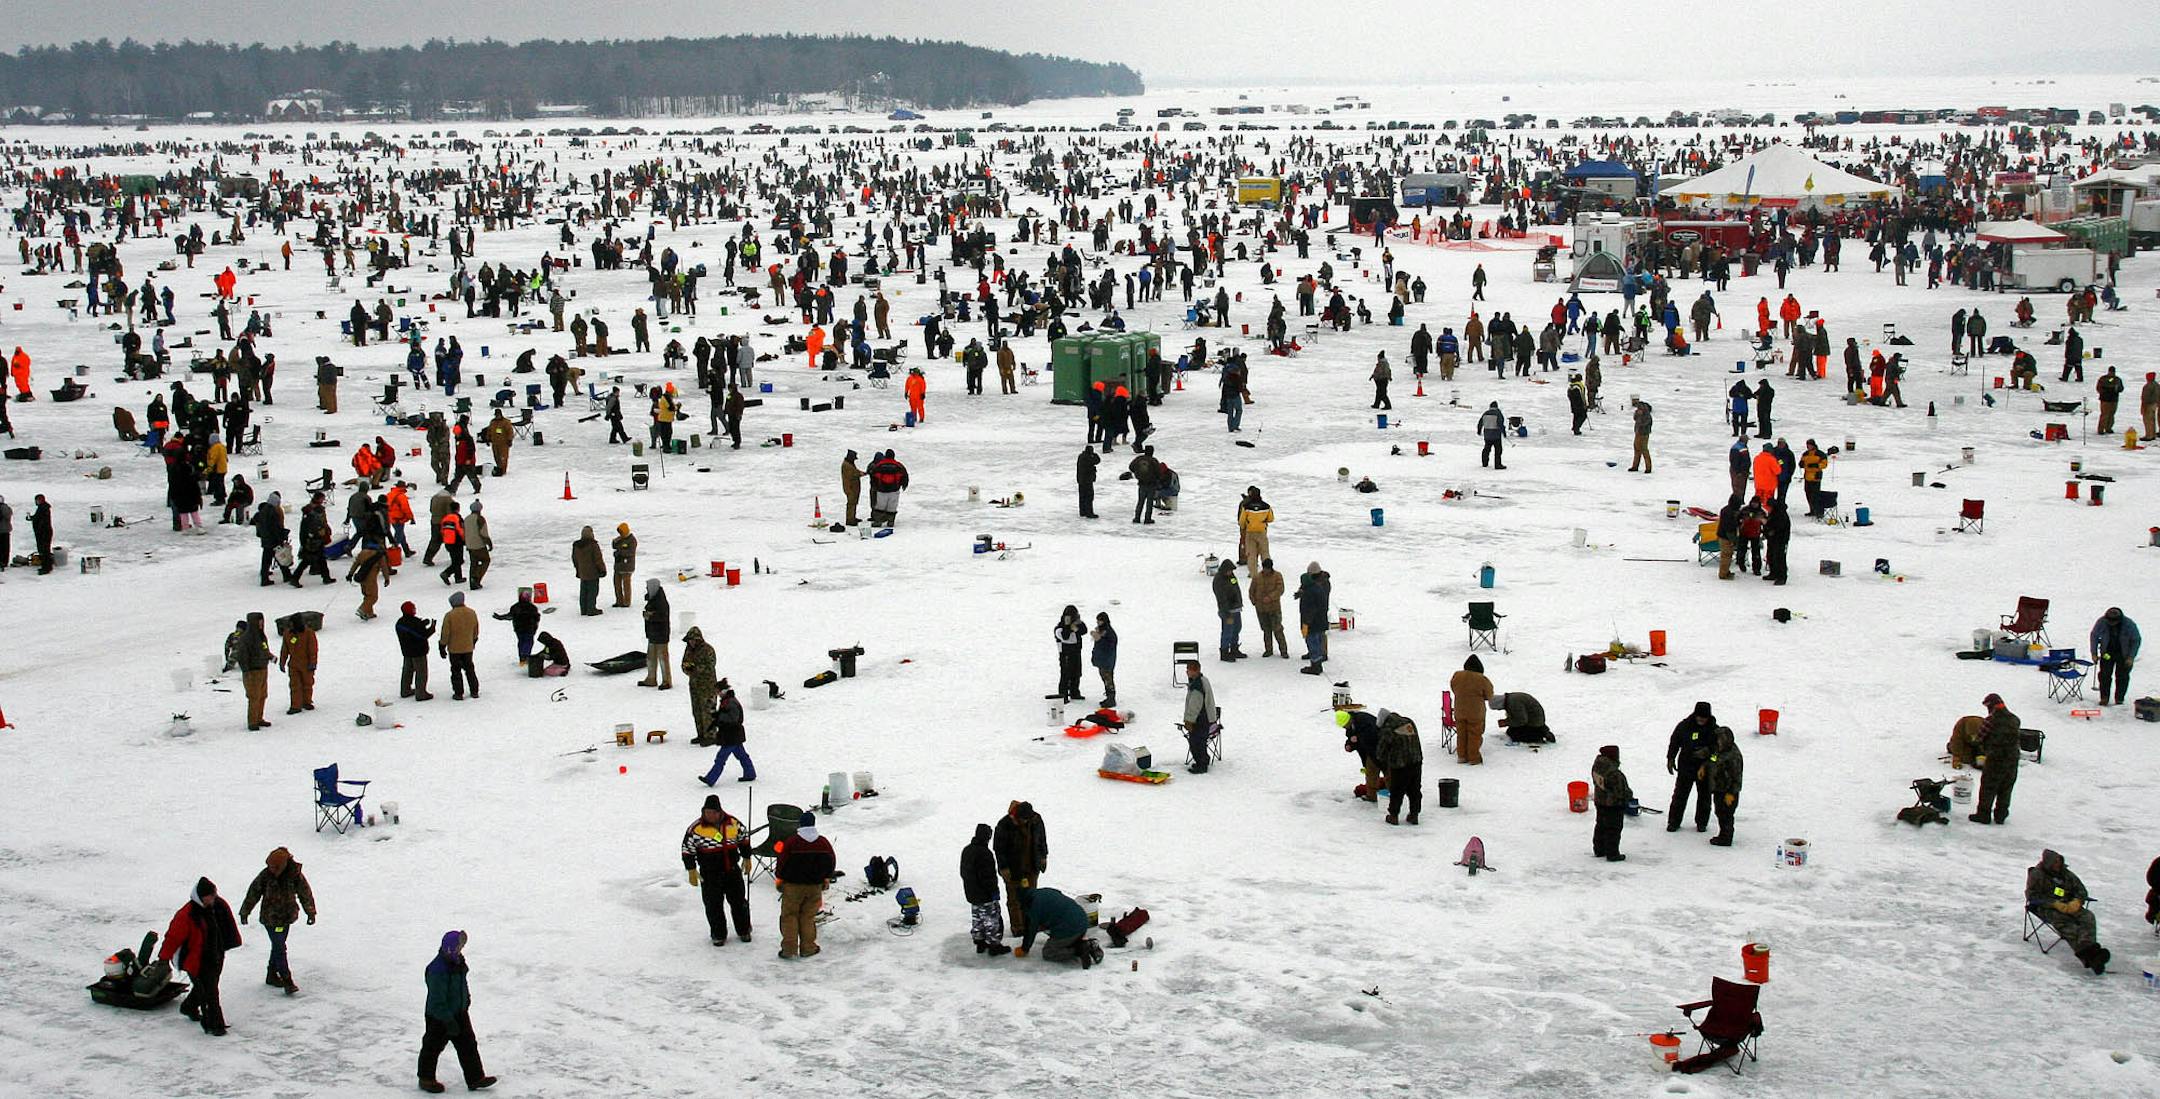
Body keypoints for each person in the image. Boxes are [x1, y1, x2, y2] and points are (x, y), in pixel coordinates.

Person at [160, 877, 240, 1036]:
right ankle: (215, 1025)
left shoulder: (217, 905)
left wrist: (229, 943)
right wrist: (163, 959)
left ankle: (189, 1006)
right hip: (196, 961)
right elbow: (173, 938)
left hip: (216, 955)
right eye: (210, 895)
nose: (214, 897)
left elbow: (227, 924)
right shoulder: (187, 915)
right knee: (210, 993)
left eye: (214, 894)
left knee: (207, 988)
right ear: (201, 897)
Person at [418, 931, 495, 1093]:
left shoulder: (457, 962)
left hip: (459, 1012)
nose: (461, 949)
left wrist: (465, 1001)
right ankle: (426, 1078)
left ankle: (475, 1078)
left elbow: (461, 984)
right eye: (459, 946)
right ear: (450, 948)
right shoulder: (437, 969)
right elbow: (437, 1000)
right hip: (439, 1016)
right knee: (432, 1047)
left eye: (462, 946)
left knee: (468, 1045)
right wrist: (447, 1020)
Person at [238, 847, 316, 994]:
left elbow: (305, 893)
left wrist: (311, 912)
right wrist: (245, 912)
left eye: (275, 867)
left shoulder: (295, 875)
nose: (271, 870)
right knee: (280, 947)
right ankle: (287, 980)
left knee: (278, 946)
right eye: (270, 867)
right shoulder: (266, 875)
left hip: (286, 918)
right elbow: (253, 893)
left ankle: (271, 974)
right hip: (270, 919)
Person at [681, 794, 752, 946]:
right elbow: (687, 850)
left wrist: (747, 857)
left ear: (719, 812)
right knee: (713, 905)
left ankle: (744, 930)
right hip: (710, 874)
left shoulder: (733, 823)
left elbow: (744, 839)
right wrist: (691, 869)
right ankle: (718, 934)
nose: (710, 815)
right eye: (707, 812)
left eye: (712, 812)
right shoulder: (696, 829)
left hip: (732, 871)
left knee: (739, 902)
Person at [2026, 850, 2108, 975]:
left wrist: (2077, 902)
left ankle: (2090, 954)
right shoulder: (2037, 875)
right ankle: (2091, 957)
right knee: (2067, 923)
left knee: (2088, 917)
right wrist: (2053, 903)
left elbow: (2081, 890)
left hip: (2069, 905)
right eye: (2055, 862)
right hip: (2047, 908)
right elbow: (2031, 895)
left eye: (2059, 862)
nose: (2058, 865)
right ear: (2048, 863)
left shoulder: (2067, 874)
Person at [773, 811, 836, 959]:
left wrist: (780, 878)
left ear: (800, 825)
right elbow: (831, 861)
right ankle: (808, 947)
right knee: (808, 917)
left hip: (792, 887)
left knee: (790, 916)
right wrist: (825, 877)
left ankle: (789, 949)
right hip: (814, 887)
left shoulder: (792, 842)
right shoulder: (823, 842)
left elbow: (781, 862)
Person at [993, 801, 1049, 935]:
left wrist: (1043, 856)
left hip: (1032, 867)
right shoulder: (1004, 825)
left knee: (1031, 897)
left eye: (1027, 819)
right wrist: (1004, 867)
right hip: (1013, 870)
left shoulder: (1036, 820)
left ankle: (1031, 923)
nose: (1025, 822)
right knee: (1015, 900)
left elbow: (1041, 839)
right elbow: (999, 849)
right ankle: (1018, 928)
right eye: (1023, 819)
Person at [1014, 886, 1102, 968]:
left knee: (1048, 952)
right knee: (1051, 926)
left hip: (1070, 928)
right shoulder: (1044, 891)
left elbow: (1030, 930)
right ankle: (1079, 942)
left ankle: (1080, 949)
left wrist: (1024, 949)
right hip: (1083, 920)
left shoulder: (1033, 906)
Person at [1972, 693, 2022, 825]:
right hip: (2013, 759)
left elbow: (1979, 738)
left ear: (1990, 706)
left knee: (1988, 787)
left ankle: (1983, 814)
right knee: (2006, 788)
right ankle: (2001, 815)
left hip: (1996, 759)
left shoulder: (1990, 720)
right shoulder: (2015, 719)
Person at [961, 823, 1011, 955]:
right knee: (991, 919)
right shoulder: (985, 853)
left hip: (971, 892)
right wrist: (994, 892)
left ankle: (979, 941)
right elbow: (988, 877)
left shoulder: (967, 850)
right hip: (985, 894)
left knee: (977, 917)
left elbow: (963, 872)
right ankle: (994, 945)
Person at [1668, 702, 1719, 831]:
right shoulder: (1684, 726)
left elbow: (1717, 750)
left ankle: (1702, 823)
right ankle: (1674, 822)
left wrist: (1708, 754)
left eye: (1704, 717)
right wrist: (1670, 758)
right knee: (1680, 795)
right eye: (1699, 716)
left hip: (1704, 768)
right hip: (1686, 766)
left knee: (1704, 796)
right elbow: (1674, 742)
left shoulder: (1714, 730)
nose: (1701, 719)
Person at [1374, 708, 1424, 825]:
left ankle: (1393, 816)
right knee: (1415, 789)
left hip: (1400, 763)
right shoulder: (1408, 721)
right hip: (1416, 760)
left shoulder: (1387, 728)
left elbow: (1381, 751)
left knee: (1397, 790)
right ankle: (1414, 815)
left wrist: (1382, 762)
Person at [698, 680, 754, 783]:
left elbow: (732, 718)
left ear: (722, 691)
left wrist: (718, 716)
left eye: (717, 691)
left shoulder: (730, 702)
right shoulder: (728, 700)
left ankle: (711, 779)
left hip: (731, 735)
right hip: (733, 735)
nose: (717, 694)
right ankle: (750, 774)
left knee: (721, 758)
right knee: (742, 755)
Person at [2088, 607, 2140, 706]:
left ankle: (2119, 699)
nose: (2111, 623)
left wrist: (2131, 657)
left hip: (2123, 654)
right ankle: (2104, 697)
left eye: (2113, 621)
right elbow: (2094, 636)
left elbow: (2136, 640)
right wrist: (2094, 653)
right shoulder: (2102, 622)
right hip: (2107, 653)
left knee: (2122, 677)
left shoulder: (2129, 624)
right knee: (2104, 675)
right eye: (2109, 621)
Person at [1702, 728, 1743, 846]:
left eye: (1720, 739)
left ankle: (1726, 837)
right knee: (1720, 812)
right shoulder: (1720, 750)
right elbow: (1713, 759)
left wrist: (1731, 793)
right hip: (1719, 788)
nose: (1718, 741)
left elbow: (1737, 777)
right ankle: (1723, 834)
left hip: (1728, 792)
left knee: (1726, 814)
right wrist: (1704, 766)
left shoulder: (1734, 756)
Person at [1591, 745, 1632, 861]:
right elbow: (1621, 791)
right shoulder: (1615, 774)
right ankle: (1612, 853)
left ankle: (1599, 849)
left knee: (1601, 826)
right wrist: (1628, 796)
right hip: (1613, 805)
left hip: (1600, 801)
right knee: (1613, 829)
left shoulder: (1597, 766)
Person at [1449, 656, 1493, 763]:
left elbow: (1453, 687)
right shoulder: (1482, 679)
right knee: (1474, 734)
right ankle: (1474, 758)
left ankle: (1462, 756)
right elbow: (1489, 695)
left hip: (1459, 710)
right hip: (1476, 712)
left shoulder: (1457, 675)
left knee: (1461, 734)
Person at [235, 611, 272, 730]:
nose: (261, 623)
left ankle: (259, 718)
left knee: (262, 696)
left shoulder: (262, 636)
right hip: (252, 672)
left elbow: (265, 649)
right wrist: (246, 671)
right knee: (254, 697)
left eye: (262, 621)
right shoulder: (246, 638)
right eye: (259, 621)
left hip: (262, 669)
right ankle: (252, 722)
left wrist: (270, 656)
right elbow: (242, 656)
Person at [682, 627, 718, 744]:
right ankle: (701, 734)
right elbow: (684, 664)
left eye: (692, 640)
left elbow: (709, 667)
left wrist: (694, 668)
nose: (691, 643)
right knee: (697, 710)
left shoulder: (708, 650)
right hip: (694, 685)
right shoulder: (689, 650)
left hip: (707, 686)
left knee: (708, 711)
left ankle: (711, 736)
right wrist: (688, 669)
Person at [1181, 662, 1219, 773]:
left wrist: (1189, 721)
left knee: (1196, 742)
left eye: (1189, 669)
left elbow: (1195, 705)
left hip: (1200, 719)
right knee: (1200, 742)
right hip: (1207, 718)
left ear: (1195, 670)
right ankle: (1204, 760)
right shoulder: (1203, 680)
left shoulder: (1197, 685)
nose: (1187, 671)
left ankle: (1201, 765)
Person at [441, 592, 480, 700]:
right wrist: (473, 640)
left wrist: (442, 645)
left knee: (456, 670)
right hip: (468, 647)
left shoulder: (449, 615)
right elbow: (476, 630)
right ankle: (474, 690)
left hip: (454, 649)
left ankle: (458, 693)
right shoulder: (472, 613)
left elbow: (445, 633)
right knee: (470, 669)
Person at [1294, 561, 1331, 674]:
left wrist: (1307, 621)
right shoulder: (1313, 587)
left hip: (1313, 621)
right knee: (1316, 640)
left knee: (1313, 640)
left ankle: (1316, 664)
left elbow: (1312, 608)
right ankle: (1317, 661)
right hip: (1319, 619)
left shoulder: (1316, 588)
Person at [278, 613, 318, 715]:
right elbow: (284, 649)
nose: (290, 626)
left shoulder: (309, 633)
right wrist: (282, 662)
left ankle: (307, 702)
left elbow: (313, 650)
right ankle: (295, 705)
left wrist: (313, 663)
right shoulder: (288, 634)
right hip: (294, 664)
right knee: (294, 685)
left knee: (307, 683)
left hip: (306, 663)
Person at [396, 601, 436, 701]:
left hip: (406, 651)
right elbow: (423, 635)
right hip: (418, 652)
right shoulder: (415, 623)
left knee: (407, 671)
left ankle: (405, 690)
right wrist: (432, 628)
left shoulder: (400, 622)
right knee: (421, 672)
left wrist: (422, 624)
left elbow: (412, 630)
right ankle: (421, 693)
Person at [639, 579, 673, 689]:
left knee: (663, 658)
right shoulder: (653, 599)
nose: (647, 590)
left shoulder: (661, 602)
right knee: (650, 658)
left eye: (648, 588)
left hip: (661, 635)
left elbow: (662, 616)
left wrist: (650, 616)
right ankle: (651, 678)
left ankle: (666, 681)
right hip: (653, 634)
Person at [1250, 558, 1288, 658]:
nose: (1265, 571)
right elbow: (1251, 590)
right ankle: (1268, 649)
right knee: (1266, 630)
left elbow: (1280, 589)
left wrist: (1270, 598)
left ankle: (1283, 650)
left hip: (1274, 609)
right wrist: (1254, 601)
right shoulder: (1257, 577)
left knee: (1278, 630)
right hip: (1261, 609)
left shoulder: (1277, 576)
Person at [1212, 554, 1245, 661]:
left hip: (1236, 609)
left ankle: (1234, 648)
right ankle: (1224, 651)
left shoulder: (1231, 577)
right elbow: (1221, 597)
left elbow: (1236, 588)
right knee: (1228, 630)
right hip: (1227, 611)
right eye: (1229, 570)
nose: (1231, 572)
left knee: (1237, 628)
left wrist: (1239, 602)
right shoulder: (1219, 580)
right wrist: (1226, 610)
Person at [571, 526, 606, 616]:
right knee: (592, 591)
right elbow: (598, 559)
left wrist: (578, 569)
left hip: (582, 573)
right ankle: (591, 609)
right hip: (593, 573)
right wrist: (602, 570)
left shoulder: (577, 546)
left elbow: (574, 559)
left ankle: (584, 609)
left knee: (583, 592)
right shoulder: (593, 545)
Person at [1053, 605, 1085, 702]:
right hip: (1065, 654)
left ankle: (1074, 692)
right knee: (1065, 674)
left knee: (1076, 673)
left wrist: (1078, 622)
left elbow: (1084, 631)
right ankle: (1063, 695)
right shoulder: (1059, 628)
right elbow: (1065, 637)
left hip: (1076, 652)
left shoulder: (1076, 624)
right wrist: (1068, 626)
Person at [1235, 486, 1273, 569]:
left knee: (1250, 550)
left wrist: (1243, 527)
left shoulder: (1245, 505)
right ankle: (1267, 566)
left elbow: (1241, 520)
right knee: (1264, 550)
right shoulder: (1265, 505)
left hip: (1248, 530)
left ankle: (1248, 564)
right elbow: (1271, 519)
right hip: (1262, 530)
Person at [1089, 612, 1118, 708]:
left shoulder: (1109, 633)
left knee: (1108, 679)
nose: (1098, 622)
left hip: (1107, 661)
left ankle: (1111, 698)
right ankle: (1109, 697)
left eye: (1100, 620)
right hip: (1103, 660)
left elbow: (1108, 646)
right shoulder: (1103, 631)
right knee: (1105, 678)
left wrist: (1099, 639)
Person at [611, 523, 638, 608]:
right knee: (617, 584)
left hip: (627, 566)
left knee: (626, 585)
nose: (620, 534)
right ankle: (619, 601)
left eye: (621, 532)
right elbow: (614, 546)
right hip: (618, 566)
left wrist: (620, 553)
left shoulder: (632, 540)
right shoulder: (621, 539)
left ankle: (626, 602)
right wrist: (615, 541)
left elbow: (631, 552)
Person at [1477, 401, 1506, 469]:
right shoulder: (1498, 413)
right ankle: (1497, 465)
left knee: (1487, 449)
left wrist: (1479, 431)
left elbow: (1480, 423)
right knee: (1498, 450)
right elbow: (1500, 424)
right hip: (1496, 435)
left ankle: (1484, 463)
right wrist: (1504, 433)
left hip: (1487, 434)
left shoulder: (1485, 413)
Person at [1628, 399, 1653, 473]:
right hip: (1638, 433)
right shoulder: (1638, 412)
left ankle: (1648, 468)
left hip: (1644, 434)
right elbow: (1635, 419)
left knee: (1644, 450)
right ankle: (1635, 466)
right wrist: (1637, 414)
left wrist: (1640, 417)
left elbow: (1644, 423)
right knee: (1636, 449)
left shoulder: (1647, 415)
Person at [840, 450, 864, 525]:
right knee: (851, 503)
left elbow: (855, 471)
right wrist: (862, 473)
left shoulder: (849, 463)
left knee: (854, 503)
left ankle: (852, 517)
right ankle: (850, 520)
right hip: (850, 488)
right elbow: (854, 473)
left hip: (853, 487)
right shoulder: (847, 465)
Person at [1075, 446, 1099, 519]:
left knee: (1082, 496)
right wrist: (1094, 454)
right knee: (1089, 496)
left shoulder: (1081, 456)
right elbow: (1097, 460)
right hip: (1087, 480)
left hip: (1081, 479)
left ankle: (1082, 511)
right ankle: (1089, 512)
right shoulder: (1087, 458)